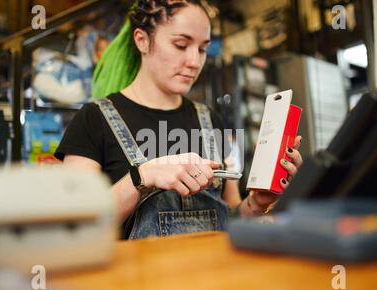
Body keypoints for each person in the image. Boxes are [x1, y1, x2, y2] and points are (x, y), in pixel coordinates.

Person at [54, 0, 303, 240]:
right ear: (142, 40)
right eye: (181, 45)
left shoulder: (211, 121)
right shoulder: (93, 119)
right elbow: (74, 227)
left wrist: (256, 203)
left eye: (203, 49)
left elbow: (231, 218)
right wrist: (142, 177)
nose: (194, 62)